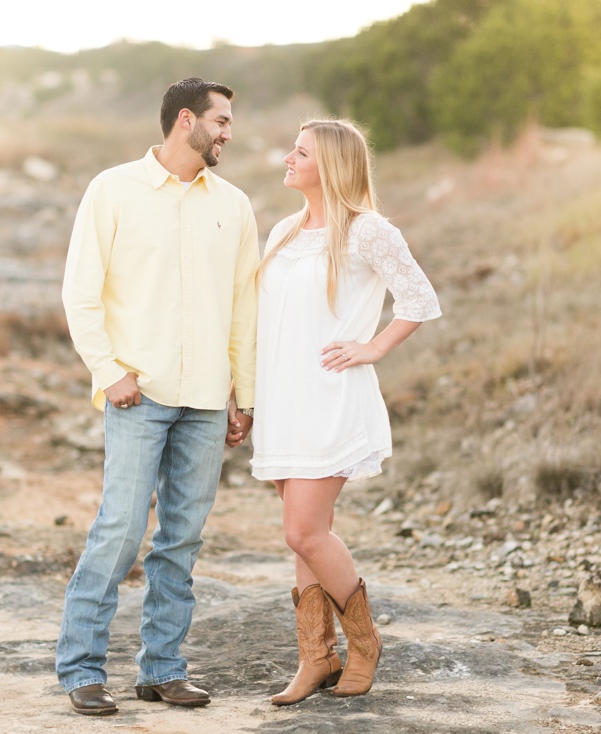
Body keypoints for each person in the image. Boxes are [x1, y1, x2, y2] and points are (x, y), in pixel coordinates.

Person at [57, 77, 259, 717]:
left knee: (181, 541)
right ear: (184, 122)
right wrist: (107, 370)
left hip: (205, 400)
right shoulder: (112, 190)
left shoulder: (235, 204)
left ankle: (163, 669)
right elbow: (80, 293)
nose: (229, 132)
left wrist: (242, 394)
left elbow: (243, 310)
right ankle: (82, 670)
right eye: (220, 121)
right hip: (135, 396)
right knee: (119, 531)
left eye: (229, 122)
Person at [250, 119, 441, 705]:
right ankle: (316, 658)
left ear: (328, 165)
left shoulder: (368, 231)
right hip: (283, 398)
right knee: (307, 539)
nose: (288, 157)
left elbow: (419, 298)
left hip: (331, 397)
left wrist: (373, 347)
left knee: (303, 529)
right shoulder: (283, 230)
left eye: (300, 152)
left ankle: (364, 644)